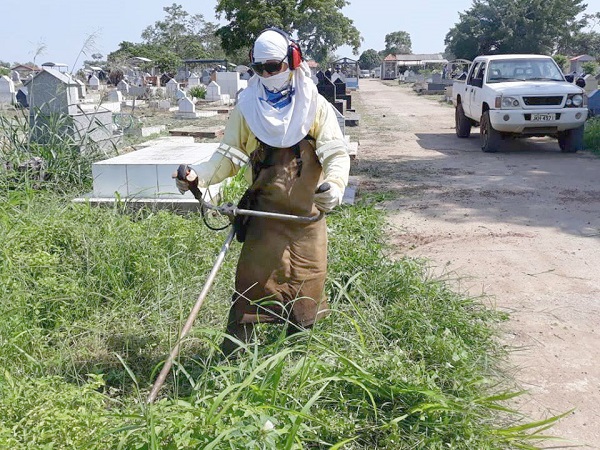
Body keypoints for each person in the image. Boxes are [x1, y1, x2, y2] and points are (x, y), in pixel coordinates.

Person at [174, 28, 350, 355]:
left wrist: (336, 185)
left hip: (305, 224)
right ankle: (235, 362)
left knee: (304, 296)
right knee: (249, 293)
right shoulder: (248, 108)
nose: (267, 75)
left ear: (293, 61)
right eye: (260, 69)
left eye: (274, 67)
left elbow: (335, 153)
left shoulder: (315, 107)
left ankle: (297, 364)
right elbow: (228, 157)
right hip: (263, 222)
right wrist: (198, 176)